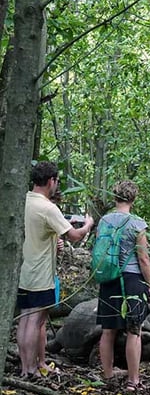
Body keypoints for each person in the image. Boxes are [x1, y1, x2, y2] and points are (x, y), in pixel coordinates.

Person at [17, 161, 94, 379]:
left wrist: (54, 241)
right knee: (35, 321)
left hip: (24, 270)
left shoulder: (23, 200)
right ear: (51, 181)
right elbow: (74, 236)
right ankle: (30, 369)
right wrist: (88, 225)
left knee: (25, 318)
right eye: (56, 181)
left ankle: (26, 366)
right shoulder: (48, 208)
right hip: (40, 273)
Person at [97, 181, 150, 392]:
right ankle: (133, 380)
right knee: (134, 331)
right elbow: (143, 258)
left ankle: (108, 376)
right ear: (133, 199)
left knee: (108, 330)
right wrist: (149, 285)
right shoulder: (137, 223)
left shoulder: (104, 221)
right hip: (132, 280)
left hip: (109, 278)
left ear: (115, 197)